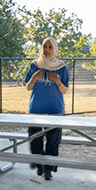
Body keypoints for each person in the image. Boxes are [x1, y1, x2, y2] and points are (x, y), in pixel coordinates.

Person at [25, 37, 69, 180]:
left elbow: (65, 91)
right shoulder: (34, 65)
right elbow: (28, 87)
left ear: (55, 49)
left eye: (50, 47)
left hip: (55, 110)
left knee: (53, 141)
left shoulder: (61, 67)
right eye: (45, 46)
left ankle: (49, 169)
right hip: (36, 109)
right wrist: (34, 78)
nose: (47, 50)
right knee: (35, 139)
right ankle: (40, 166)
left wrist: (56, 80)